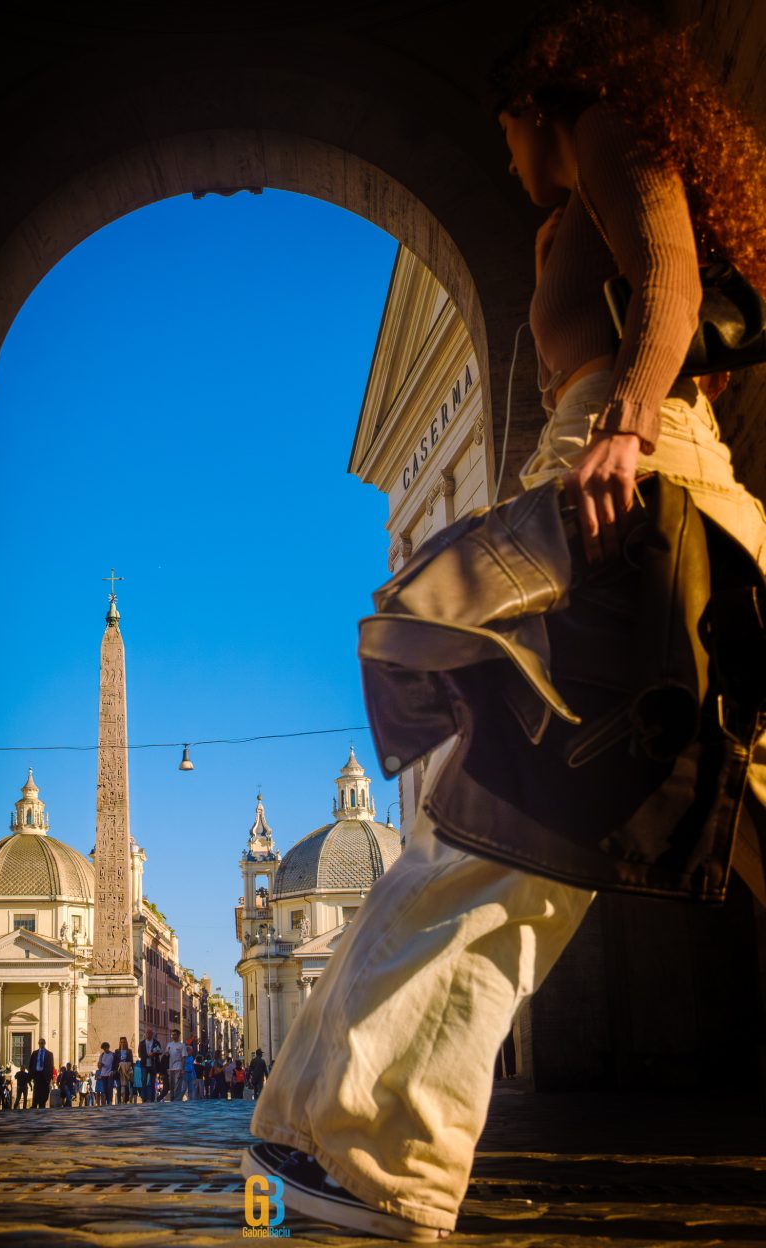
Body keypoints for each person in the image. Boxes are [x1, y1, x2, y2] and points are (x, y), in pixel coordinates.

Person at [242, 2, 766, 1241]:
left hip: (632, 494)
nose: (511, 162)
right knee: (721, 796)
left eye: (507, 136)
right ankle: (347, 1128)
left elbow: (673, 282)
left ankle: (381, 1153)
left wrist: (627, 425)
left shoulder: (601, 126)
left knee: (510, 808)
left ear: (536, 100)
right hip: (663, 493)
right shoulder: (569, 193)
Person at [29, 1037, 55, 1109]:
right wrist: (30, 1075)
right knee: (36, 1091)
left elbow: (51, 1066)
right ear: (38, 1044)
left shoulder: (49, 1054)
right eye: (40, 1043)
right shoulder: (34, 1053)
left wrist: (50, 1077)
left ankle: (42, 1105)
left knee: (44, 1092)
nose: (41, 1044)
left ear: (45, 1044)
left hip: (45, 1075)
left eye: (42, 1043)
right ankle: (34, 1105)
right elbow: (31, 1064)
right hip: (37, 1074)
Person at [138, 1029, 161, 1103]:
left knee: (152, 1082)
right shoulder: (142, 1043)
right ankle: (144, 1099)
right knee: (144, 1081)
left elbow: (159, 1051)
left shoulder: (156, 1042)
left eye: (150, 1033)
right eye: (147, 1033)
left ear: (152, 1034)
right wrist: (147, 1055)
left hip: (153, 1064)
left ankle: (152, 1099)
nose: (148, 1034)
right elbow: (139, 1054)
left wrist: (153, 1054)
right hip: (144, 1065)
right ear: (145, 1034)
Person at [165, 1029, 187, 1100]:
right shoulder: (169, 1045)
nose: (173, 1036)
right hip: (171, 1068)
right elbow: (166, 1054)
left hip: (178, 1067)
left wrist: (183, 1069)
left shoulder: (182, 1045)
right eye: (172, 1035)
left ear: (178, 1035)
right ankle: (172, 1099)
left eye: (174, 1035)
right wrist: (167, 1053)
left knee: (177, 1085)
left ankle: (177, 1100)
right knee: (171, 1085)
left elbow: (183, 1058)